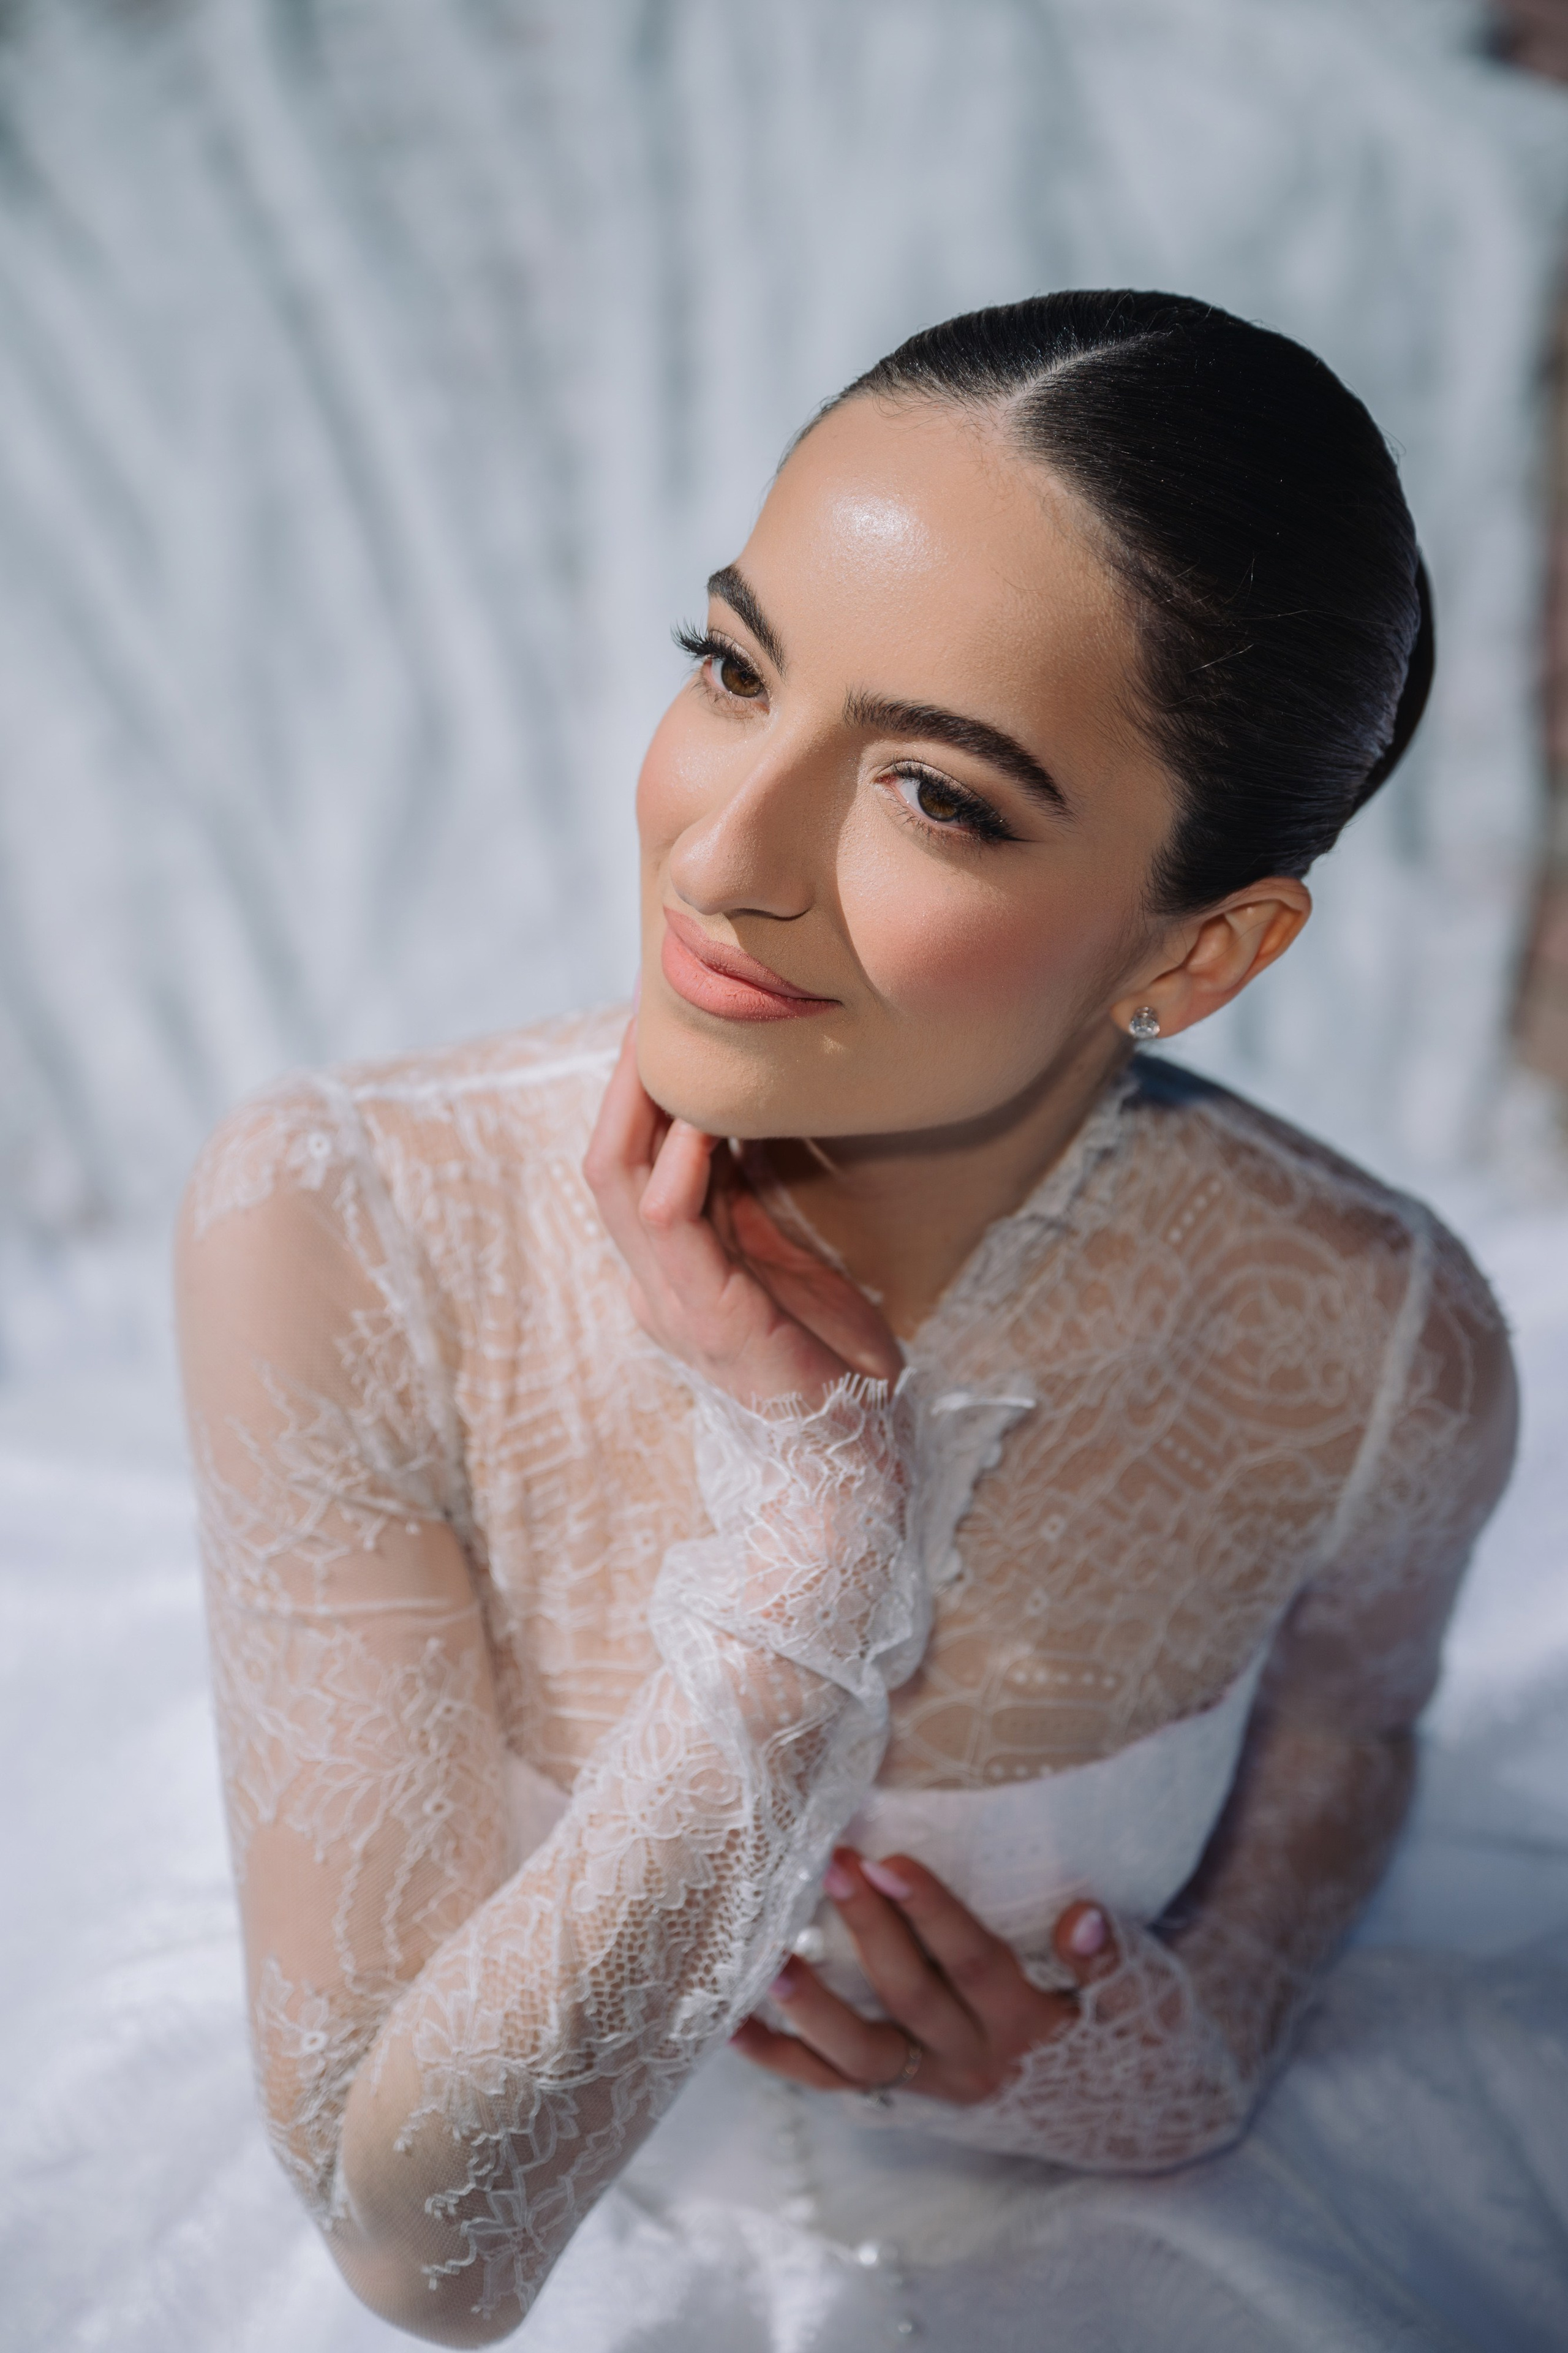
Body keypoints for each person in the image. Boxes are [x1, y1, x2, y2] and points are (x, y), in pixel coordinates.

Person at [176, 292, 1517, 2348]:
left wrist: (1177, 2052)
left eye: (940, 797)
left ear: (1206, 946)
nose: (719, 850)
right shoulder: (337, 1223)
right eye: (734, 669)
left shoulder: (1374, 1340)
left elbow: (1355, 1723)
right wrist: (814, 1544)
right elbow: (412, 2252)